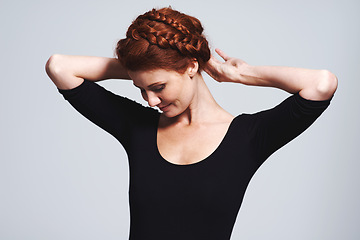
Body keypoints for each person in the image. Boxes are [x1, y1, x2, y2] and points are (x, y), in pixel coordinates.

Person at [45, 7, 337, 240]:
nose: (150, 101)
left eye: (158, 87)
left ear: (191, 66)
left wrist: (237, 74)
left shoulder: (248, 138)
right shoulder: (138, 127)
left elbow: (321, 85)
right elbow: (60, 67)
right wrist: (145, 68)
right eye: (141, 89)